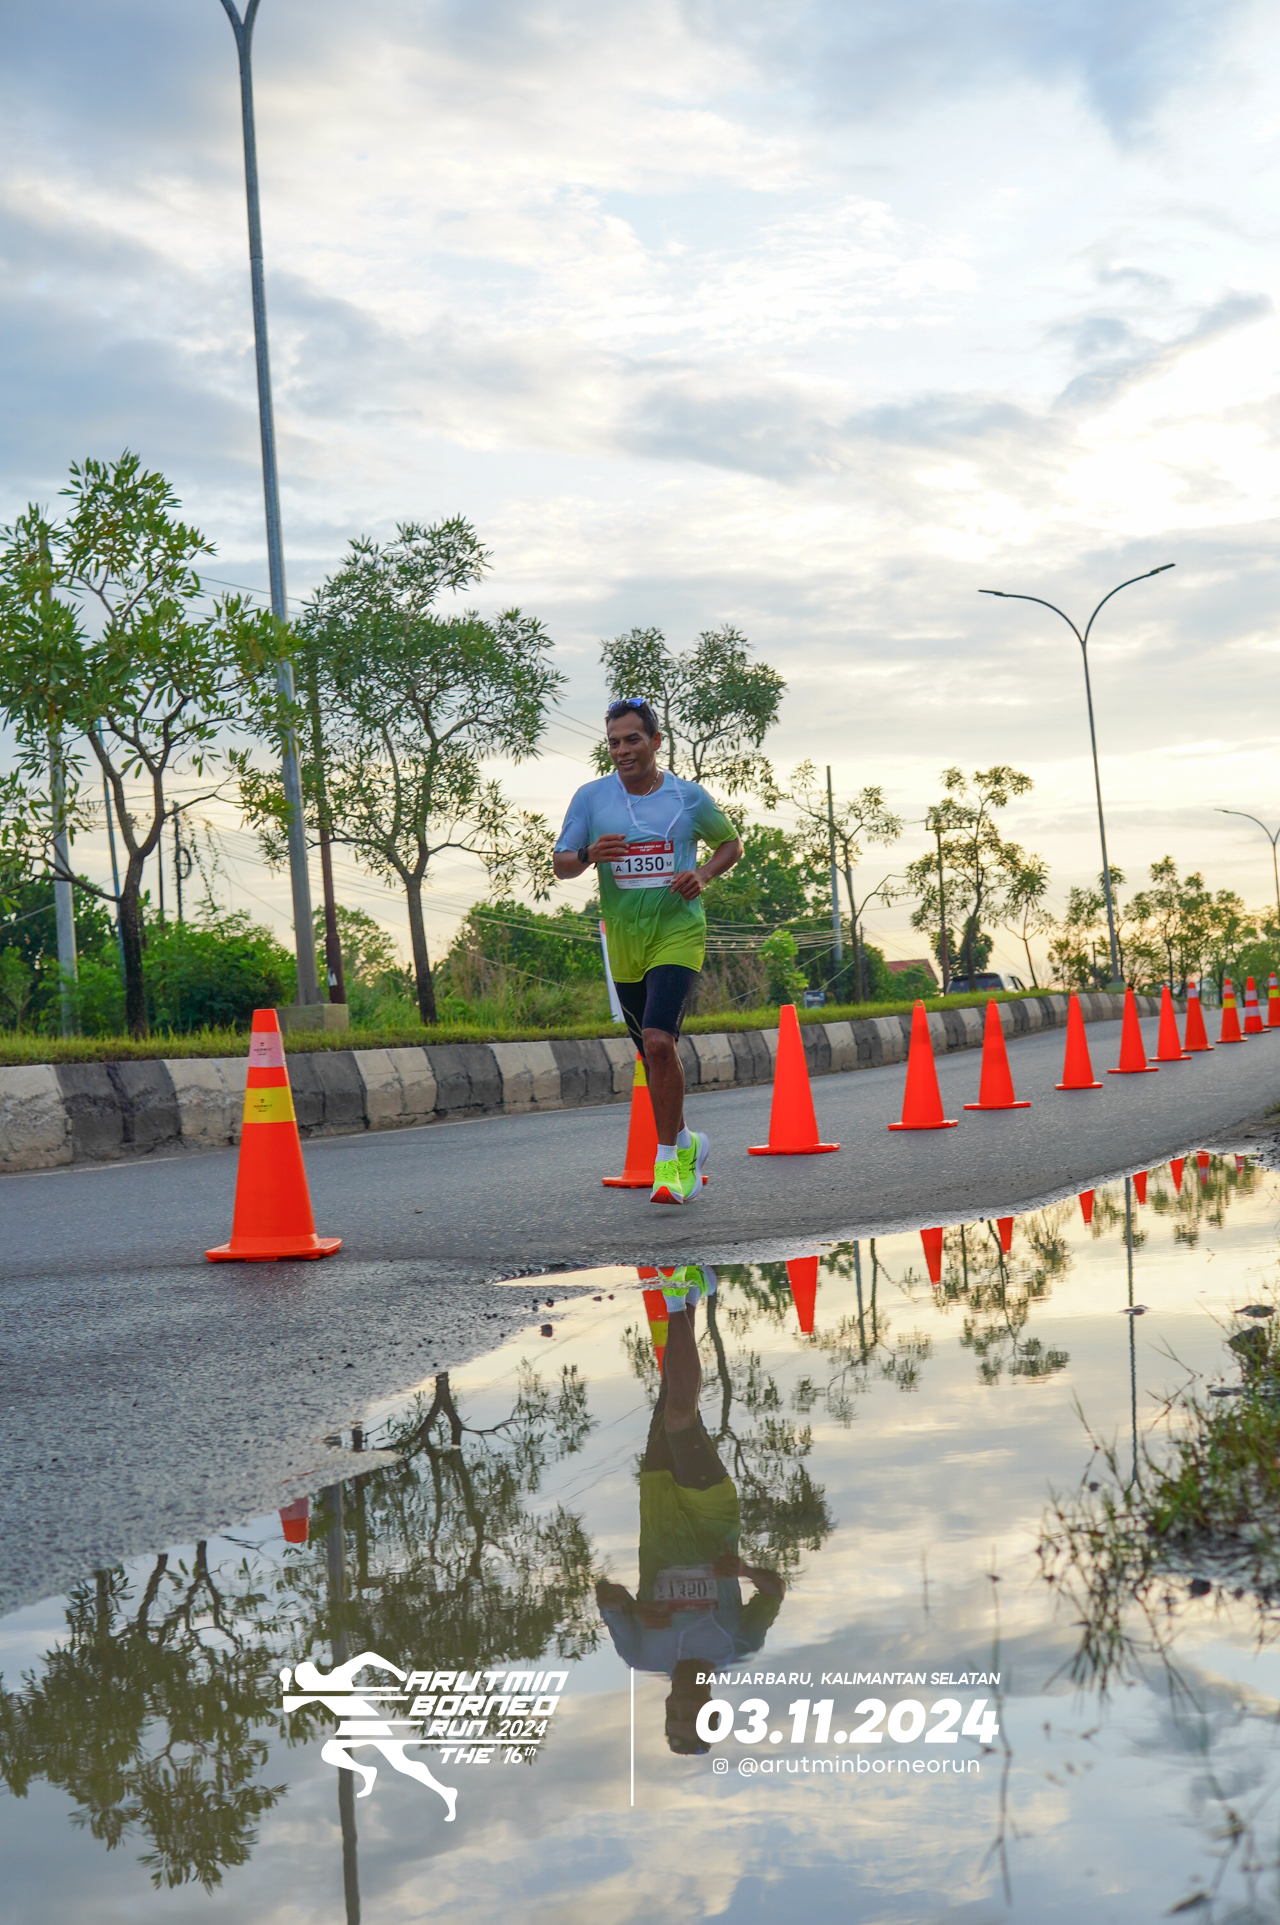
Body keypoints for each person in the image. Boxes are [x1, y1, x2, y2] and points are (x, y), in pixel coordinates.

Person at [553, 697, 743, 1204]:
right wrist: (589, 854)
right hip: (623, 941)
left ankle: (669, 1164)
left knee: (660, 1041)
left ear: (656, 742)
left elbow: (731, 844)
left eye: (632, 739)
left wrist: (703, 875)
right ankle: (688, 1141)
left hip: (678, 932)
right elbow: (562, 864)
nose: (622, 750)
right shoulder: (591, 798)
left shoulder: (687, 797)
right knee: (650, 1053)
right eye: (614, 742)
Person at [596, 1267, 786, 1754]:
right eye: (691, 1716)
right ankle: (676, 1295)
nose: (680, 1705)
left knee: (671, 1398)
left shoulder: (640, 1654)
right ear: (711, 1711)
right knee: (681, 1416)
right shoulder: (738, 1645)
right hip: (711, 1515)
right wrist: (743, 1571)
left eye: (673, 1716)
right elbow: (775, 1590)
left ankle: (694, 1294)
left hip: (658, 1508)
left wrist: (634, 1608)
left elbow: (604, 1592)